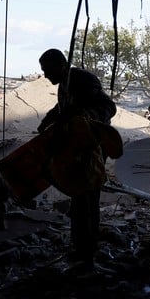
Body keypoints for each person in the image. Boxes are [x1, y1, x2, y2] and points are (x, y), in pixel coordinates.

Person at [37, 48, 118, 271]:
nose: (45, 76)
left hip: (91, 148)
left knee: (88, 199)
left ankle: (88, 252)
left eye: (47, 70)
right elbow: (62, 110)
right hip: (77, 148)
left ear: (61, 65)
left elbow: (106, 107)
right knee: (79, 197)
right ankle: (80, 247)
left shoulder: (82, 81)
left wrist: (84, 120)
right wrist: (48, 121)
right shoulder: (65, 85)